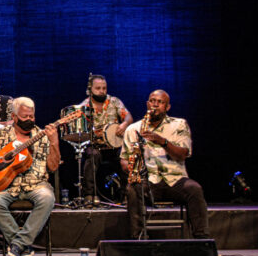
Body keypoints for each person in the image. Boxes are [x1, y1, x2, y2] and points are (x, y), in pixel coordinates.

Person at [0, 97, 60, 256]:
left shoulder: (42, 135)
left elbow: (53, 167)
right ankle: (23, 246)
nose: (30, 120)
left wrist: (54, 143)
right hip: (8, 187)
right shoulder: (1, 135)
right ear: (15, 117)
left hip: (36, 185)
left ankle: (18, 244)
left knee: (47, 198)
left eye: (32, 116)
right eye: (25, 117)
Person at [121, 90, 209, 239]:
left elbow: (183, 154)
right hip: (147, 181)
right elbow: (124, 158)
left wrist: (163, 142)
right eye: (152, 101)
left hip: (174, 180)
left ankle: (202, 240)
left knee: (195, 189)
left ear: (167, 107)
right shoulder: (133, 129)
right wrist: (130, 167)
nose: (155, 105)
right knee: (132, 189)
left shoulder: (179, 124)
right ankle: (138, 239)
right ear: (147, 104)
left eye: (160, 102)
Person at [78, 74, 133, 205]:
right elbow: (80, 130)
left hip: (114, 146)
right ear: (90, 89)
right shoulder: (84, 106)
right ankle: (89, 195)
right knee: (92, 156)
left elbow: (128, 117)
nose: (102, 91)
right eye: (98, 88)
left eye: (104, 88)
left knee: (125, 157)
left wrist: (124, 125)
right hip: (95, 146)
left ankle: (126, 195)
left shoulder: (114, 101)